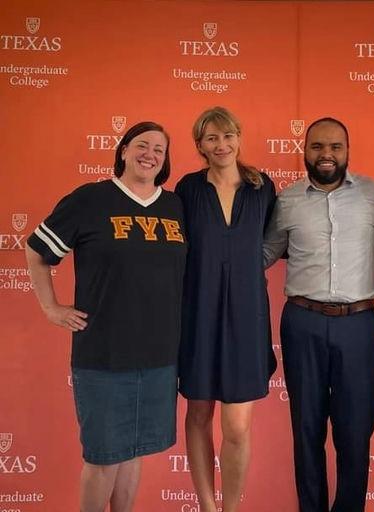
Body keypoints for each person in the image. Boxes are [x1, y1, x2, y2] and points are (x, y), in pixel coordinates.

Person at [25, 121, 186, 512]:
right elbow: (35, 250)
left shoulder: (174, 206)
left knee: (133, 454)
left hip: (160, 356)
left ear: (165, 161)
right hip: (104, 354)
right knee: (102, 459)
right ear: (124, 150)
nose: (150, 154)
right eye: (141, 145)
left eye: (159, 150)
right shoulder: (91, 199)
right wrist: (50, 307)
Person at [263, 117, 374, 512]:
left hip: (359, 325)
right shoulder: (287, 200)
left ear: (347, 151)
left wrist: (358, 287)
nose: (326, 155)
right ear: (305, 151)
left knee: (355, 432)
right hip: (303, 322)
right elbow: (266, 253)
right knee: (307, 429)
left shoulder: (372, 194)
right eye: (317, 146)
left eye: (335, 146)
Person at [174, 106, 276, 512]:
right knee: (198, 412)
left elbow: (272, 245)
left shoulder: (262, 188)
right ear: (199, 144)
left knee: (236, 425)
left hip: (247, 318)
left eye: (228, 135)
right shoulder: (187, 189)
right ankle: (207, 506)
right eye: (212, 138)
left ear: (239, 137)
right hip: (197, 314)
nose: (222, 144)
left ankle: (231, 508)